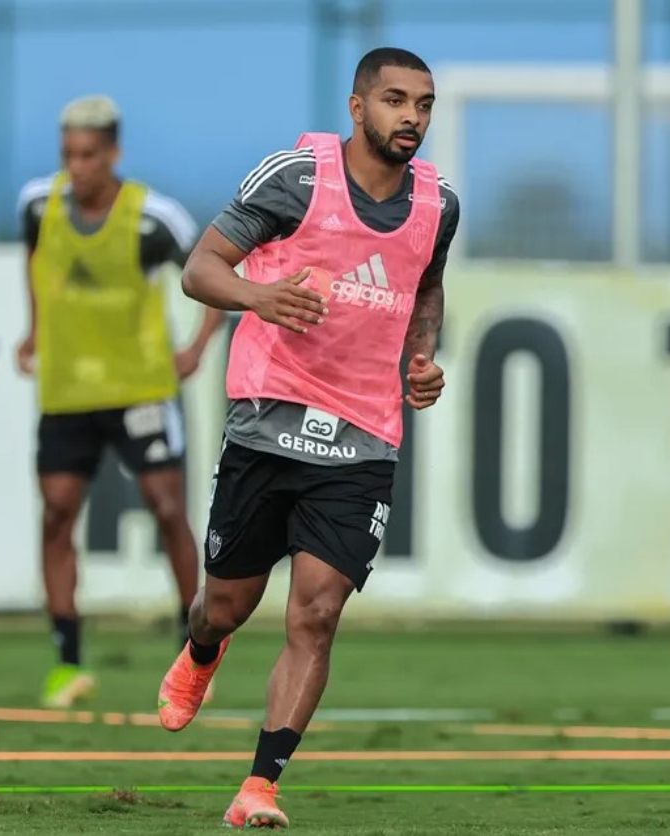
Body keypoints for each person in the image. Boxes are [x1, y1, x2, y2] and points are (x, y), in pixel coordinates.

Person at [155, 47, 459, 827]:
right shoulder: (295, 179)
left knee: (315, 615)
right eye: (396, 101)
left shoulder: (439, 204)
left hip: (363, 437)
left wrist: (422, 356)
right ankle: (202, 652)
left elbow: (426, 286)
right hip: (269, 418)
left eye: (423, 104)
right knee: (225, 605)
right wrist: (260, 296)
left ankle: (260, 787)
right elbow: (201, 269)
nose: (412, 118)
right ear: (357, 108)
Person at [17, 94, 224, 709]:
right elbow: (33, 264)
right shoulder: (37, 205)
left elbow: (213, 272)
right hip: (69, 390)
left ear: (113, 153)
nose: (76, 166)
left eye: (88, 155)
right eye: (68, 155)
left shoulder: (152, 217)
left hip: (141, 386)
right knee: (57, 511)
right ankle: (67, 659)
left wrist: (198, 347)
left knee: (166, 507)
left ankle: (195, 652)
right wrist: (32, 329)